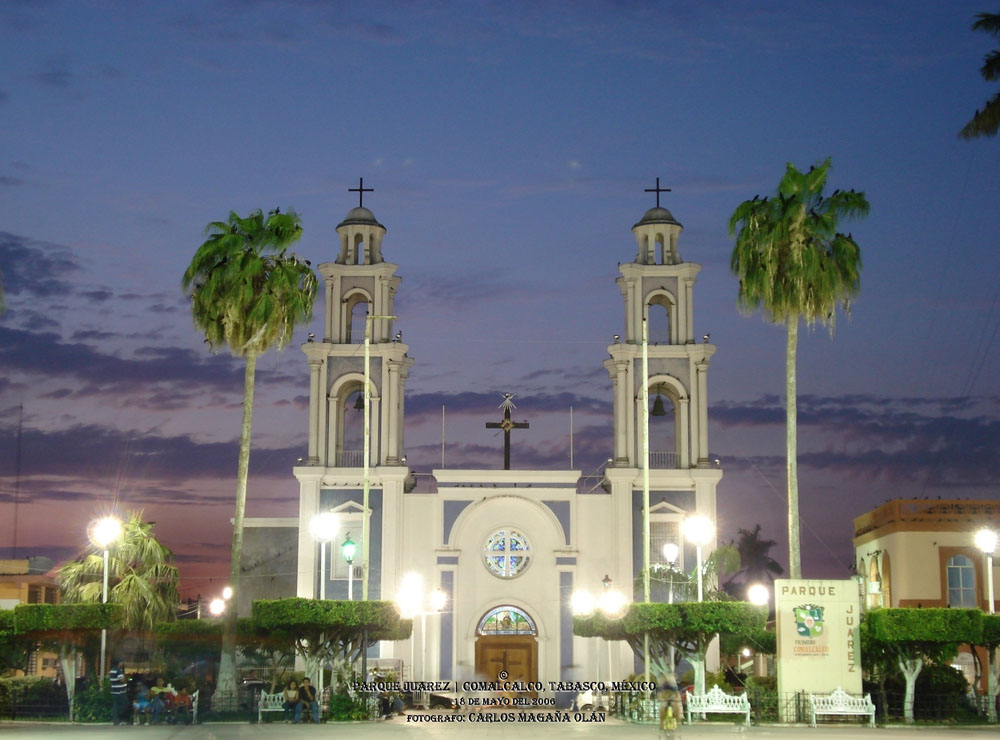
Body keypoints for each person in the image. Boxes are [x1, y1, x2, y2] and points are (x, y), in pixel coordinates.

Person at [108, 660, 129, 726]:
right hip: (120, 691)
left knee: (116, 705)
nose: (122, 663)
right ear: (118, 663)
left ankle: (116, 720)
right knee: (124, 704)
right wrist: (126, 678)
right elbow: (122, 679)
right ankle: (121, 719)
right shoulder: (118, 670)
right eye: (121, 662)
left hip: (114, 690)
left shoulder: (112, 670)